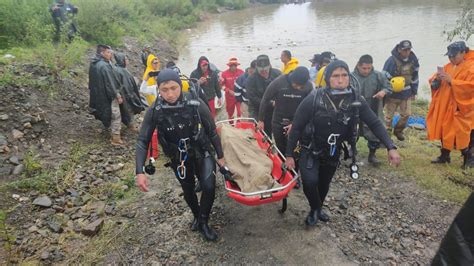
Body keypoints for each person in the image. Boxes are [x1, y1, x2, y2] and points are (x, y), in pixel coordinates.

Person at [285, 60, 400, 226]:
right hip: (310, 148)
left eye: (344, 75)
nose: (341, 80)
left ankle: (317, 208)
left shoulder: (356, 100)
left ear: (350, 77)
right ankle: (315, 207)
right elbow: (296, 128)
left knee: (324, 183)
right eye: (336, 76)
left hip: (333, 150)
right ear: (327, 79)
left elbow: (374, 122)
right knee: (310, 182)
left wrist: (391, 147)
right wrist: (289, 155)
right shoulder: (313, 99)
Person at [135, 69, 226, 241]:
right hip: (179, 157)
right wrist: (139, 171)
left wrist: (220, 156)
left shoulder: (195, 103)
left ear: (180, 85)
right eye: (164, 89)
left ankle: (204, 221)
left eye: (173, 88)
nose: (170, 94)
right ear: (158, 90)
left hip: (201, 150)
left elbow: (212, 131)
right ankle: (197, 216)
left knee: (208, 186)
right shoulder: (155, 110)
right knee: (188, 189)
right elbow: (142, 141)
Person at [427, 41, 474, 168]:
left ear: (463, 52)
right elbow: (437, 77)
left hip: (463, 108)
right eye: (449, 56)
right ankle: (444, 155)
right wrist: (435, 81)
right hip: (446, 105)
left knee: (463, 132)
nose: (451, 58)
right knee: (444, 129)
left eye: (454, 56)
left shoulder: (471, 67)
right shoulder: (449, 66)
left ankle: (469, 159)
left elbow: (471, 87)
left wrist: (452, 82)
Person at [257, 66, 313, 154]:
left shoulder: (308, 86)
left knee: (295, 148)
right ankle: (282, 163)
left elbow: (310, 107)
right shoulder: (279, 82)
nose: (298, 87)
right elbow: (265, 99)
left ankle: (294, 164)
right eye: (296, 84)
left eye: (301, 86)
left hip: (296, 120)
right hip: (278, 120)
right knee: (281, 147)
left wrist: (295, 123)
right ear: (292, 78)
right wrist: (261, 120)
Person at [352, 54, 392, 165]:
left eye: (369, 68)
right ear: (358, 66)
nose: (366, 71)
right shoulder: (351, 76)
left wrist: (383, 92)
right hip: (355, 107)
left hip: (372, 106)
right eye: (364, 68)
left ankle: (372, 154)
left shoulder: (378, 75)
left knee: (374, 131)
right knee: (352, 129)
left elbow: (388, 87)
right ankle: (352, 149)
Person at [88, 45, 130, 146]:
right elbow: (110, 83)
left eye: (110, 52)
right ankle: (115, 138)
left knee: (107, 112)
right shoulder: (105, 66)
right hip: (108, 95)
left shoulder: (94, 64)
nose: (110, 54)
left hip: (98, 94)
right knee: (116, 115)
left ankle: (110, 130)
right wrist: (117, 95)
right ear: (102, 53)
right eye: (108, 52)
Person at [383, 40, 420, 141]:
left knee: (406, 114)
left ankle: (398, 130)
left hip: (406, 93)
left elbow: (415, 76)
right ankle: (387, 136)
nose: (407, 52)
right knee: (388, 117)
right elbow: (384, 77)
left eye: (409, 49)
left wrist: (414, 91)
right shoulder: (391, 61)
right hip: (392, 95)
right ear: (399, 50)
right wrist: (386, 91)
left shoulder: (413, 60)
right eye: (405, 50)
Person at [246, 55, 282, 136]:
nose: (264, 72)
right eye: (261, 71)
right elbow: (252, 98)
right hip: (257, 107)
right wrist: (270, 103)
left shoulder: (278, 74)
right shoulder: (251, 80)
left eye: (266, 70)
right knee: (256, 131)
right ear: (256, 68)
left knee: (275, 130)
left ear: (269, 66)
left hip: (275, 107)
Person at [113, 52, 147, 132]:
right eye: (126, 59)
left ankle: (129, 124)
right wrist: (131, 96)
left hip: (122, 94)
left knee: (124, 110)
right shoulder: (122, 71)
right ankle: (131, 125)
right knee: (128, 110)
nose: (128, 61)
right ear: (122, 60)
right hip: (125, 95)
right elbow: (127, 85)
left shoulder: (117, 69)